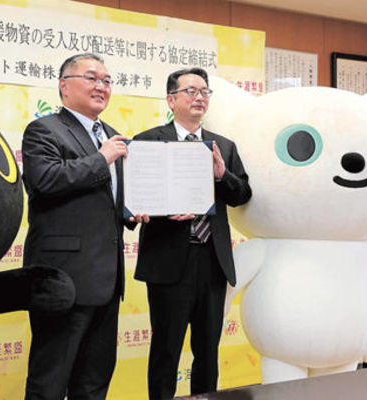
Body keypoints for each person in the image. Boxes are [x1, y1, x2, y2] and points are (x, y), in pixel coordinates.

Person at [132, 68, 252, 400]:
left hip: (212, 261)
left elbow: (242, 195)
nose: (199, 97)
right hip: (168, 261)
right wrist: (159, 212)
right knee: (165, 350)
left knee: (208, 350)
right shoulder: (147, 141)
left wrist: (222, 175)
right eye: (191, 91)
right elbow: (135, 198)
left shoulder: (223, 146)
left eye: (204, 91)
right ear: (171, 100)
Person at [21, 53, 130, 400]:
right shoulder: (44, 130)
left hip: (107, 279)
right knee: (50, 381)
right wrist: (102, 158)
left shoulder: (111, 135)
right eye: (92, 78)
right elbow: (44, 181)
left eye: (107, 81)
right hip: (63, 279)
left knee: (94, 381)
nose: (102, 86)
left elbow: (105, 200)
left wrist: (130, 213)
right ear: (64, 86)